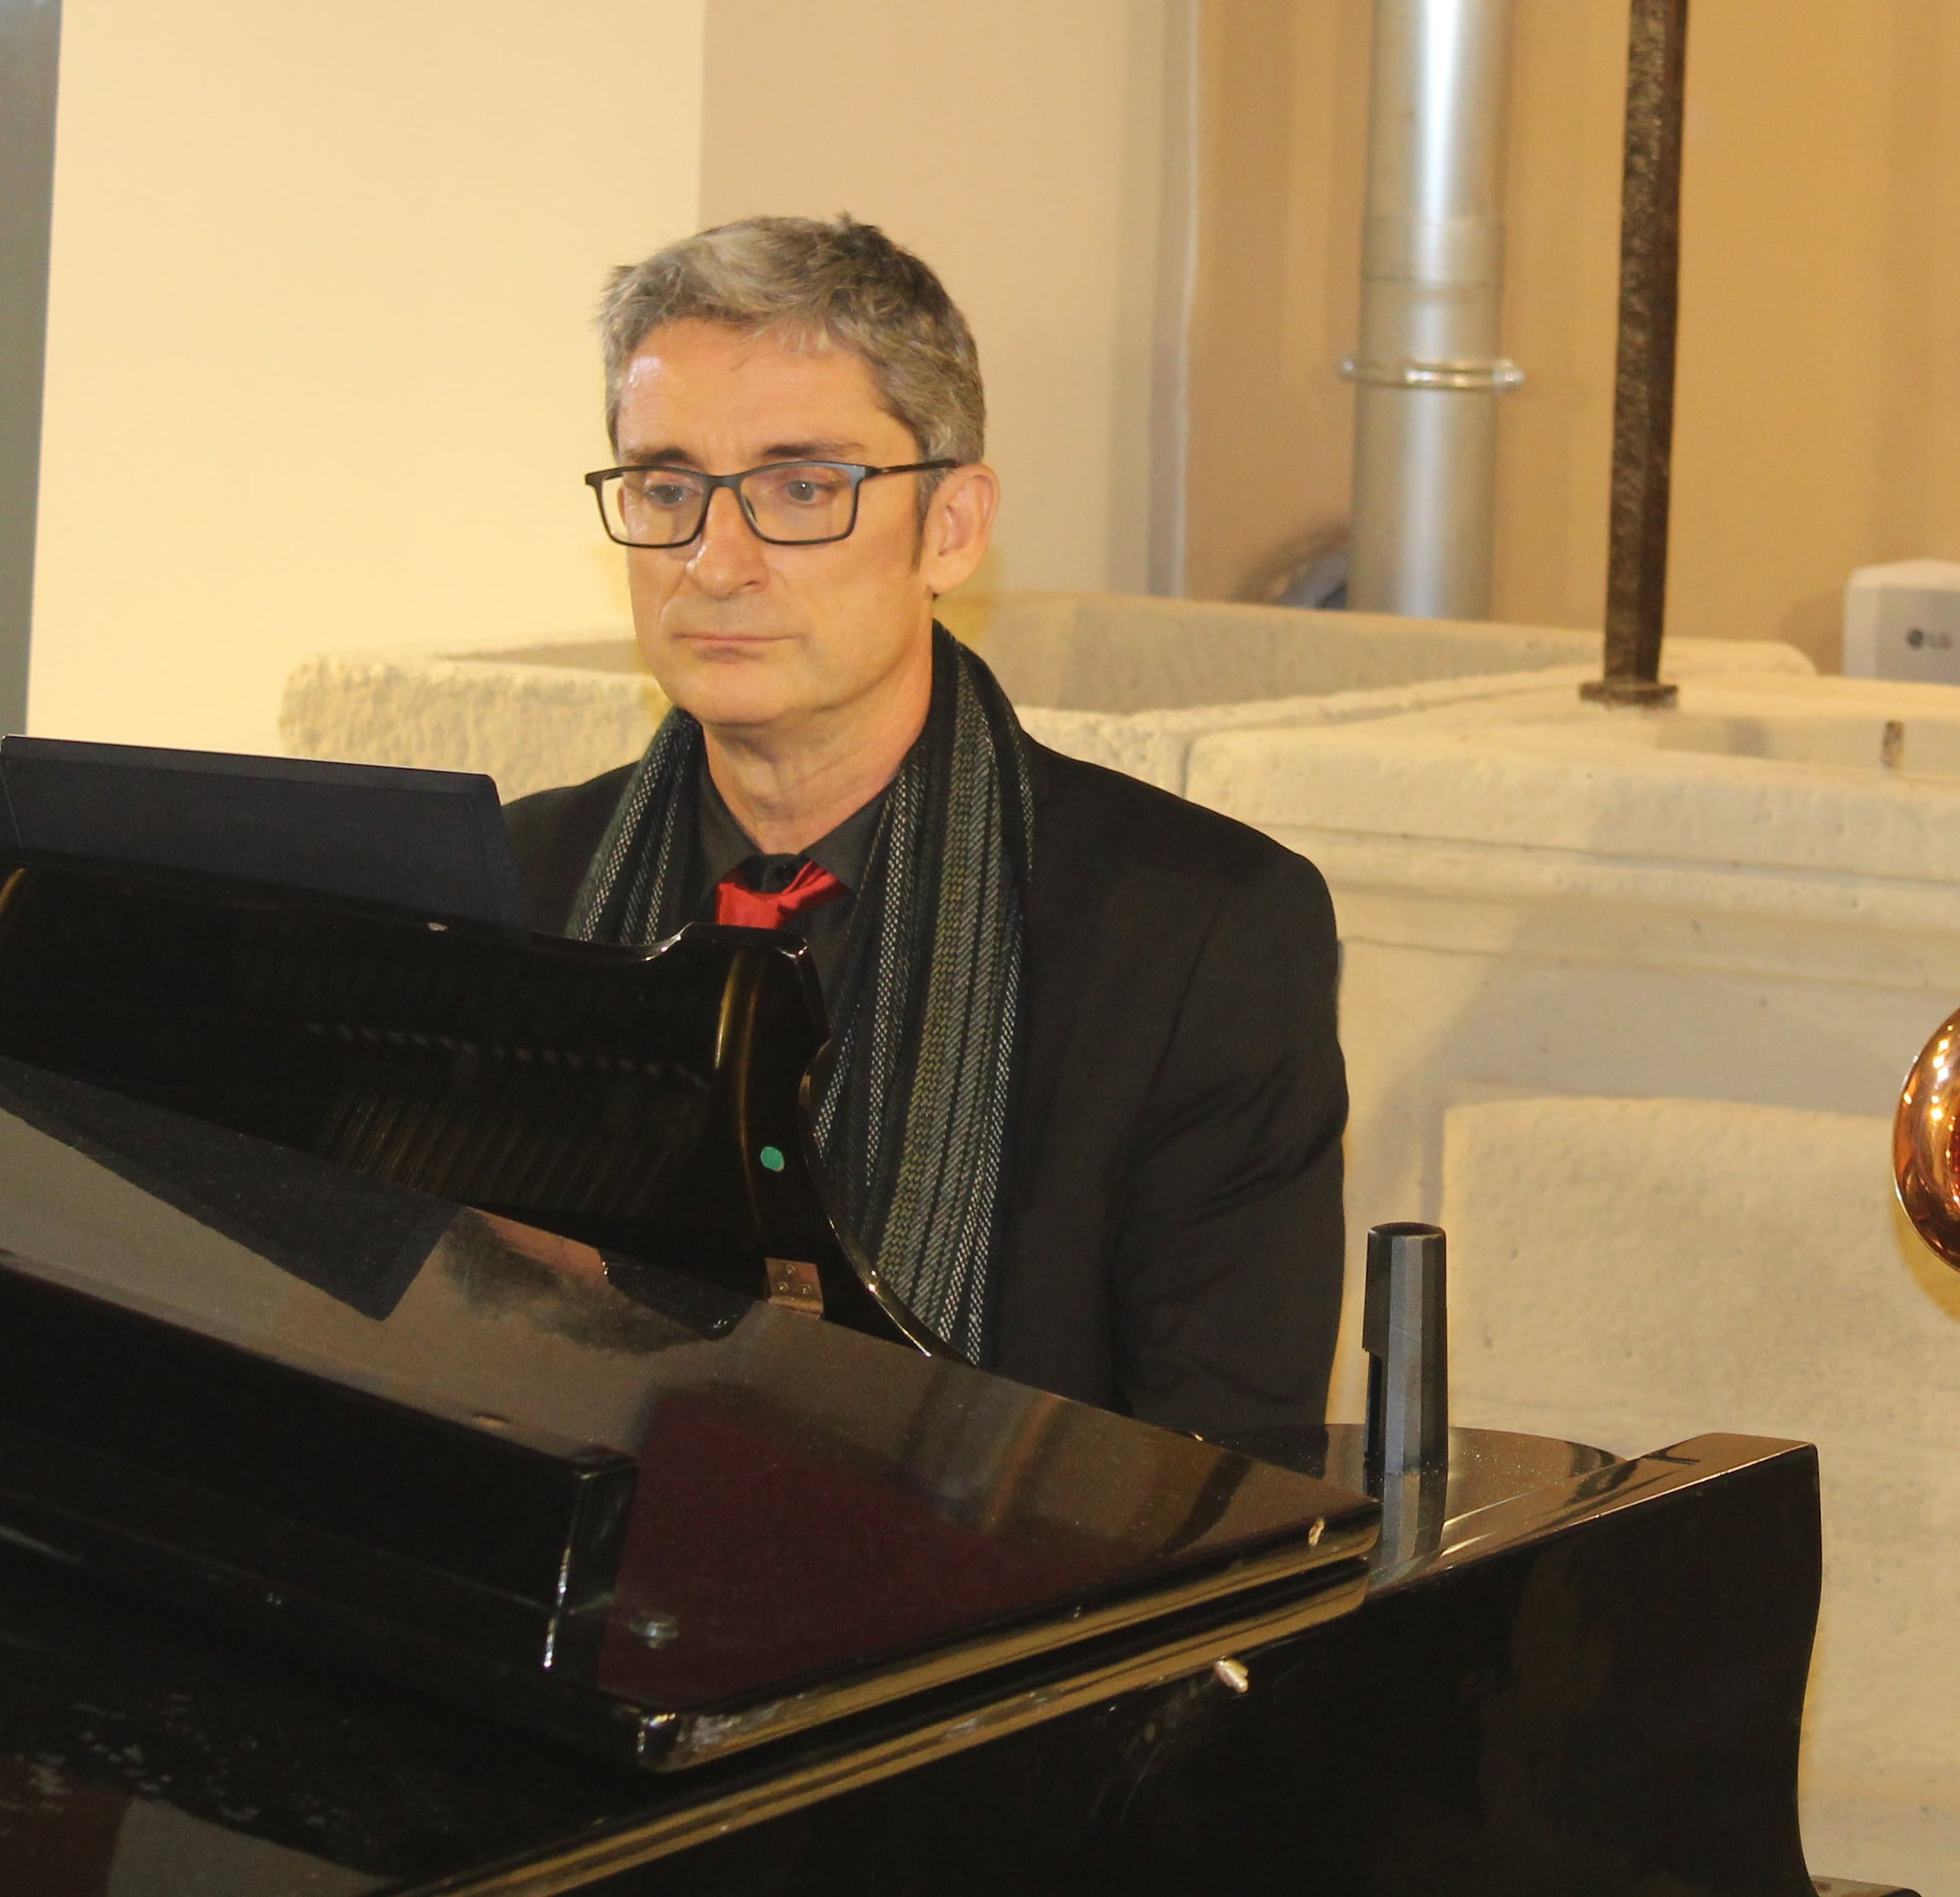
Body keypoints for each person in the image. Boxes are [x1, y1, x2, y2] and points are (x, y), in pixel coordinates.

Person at [502, 215, 1346, 1449]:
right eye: (667, 486)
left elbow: (1227, 1498)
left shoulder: (1201, 937)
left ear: (949, 527)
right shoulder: (519, 886)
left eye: (801, 486)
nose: (714, 559)